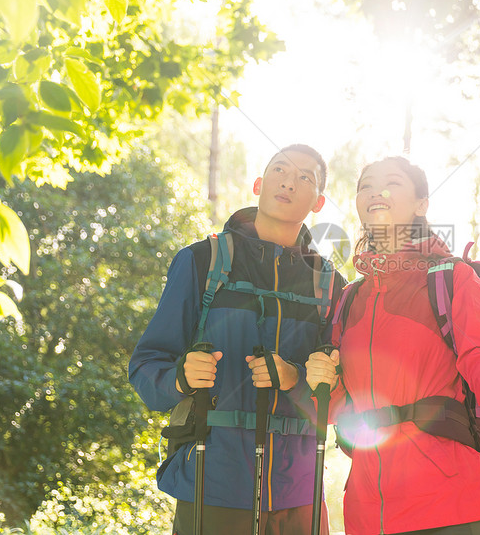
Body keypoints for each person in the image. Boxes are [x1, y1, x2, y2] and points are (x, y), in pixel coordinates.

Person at [305, 156, 480, 535]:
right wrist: (320, 383)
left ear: (422, 204)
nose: (376, 190)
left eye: (391, 182)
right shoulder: (349, 299)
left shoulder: (451, 277)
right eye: (366, 185)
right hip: (367, 511)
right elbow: (339, 407)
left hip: (451, 503)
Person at [129, 144, 344, 535]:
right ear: (258, 184)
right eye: (279, 170)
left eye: (304, 178)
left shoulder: (329, 285)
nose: (288, 182)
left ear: (319, 202)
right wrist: (180, 376)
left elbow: (344, 397)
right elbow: (145, 367)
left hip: (298, 498)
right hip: (212, 486)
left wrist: (295, 379)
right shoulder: (202, 261)